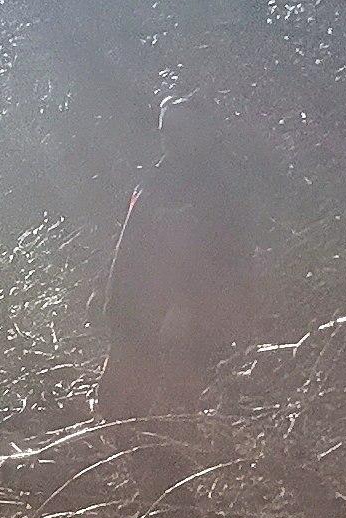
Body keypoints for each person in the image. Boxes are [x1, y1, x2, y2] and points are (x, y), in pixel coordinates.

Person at [93, 94, 260, 461]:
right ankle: (141, 483)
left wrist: (185, 307)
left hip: (179, 319)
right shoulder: (153, 178)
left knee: (171, 412)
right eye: (166, 128)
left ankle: (172, 497)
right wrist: (108, 295)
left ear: (202, 132)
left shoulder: (216, 190)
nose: (172, 136)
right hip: (132, 311)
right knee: (115, 403)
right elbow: (131, 245)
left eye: (182, 129)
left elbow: (220, 257)